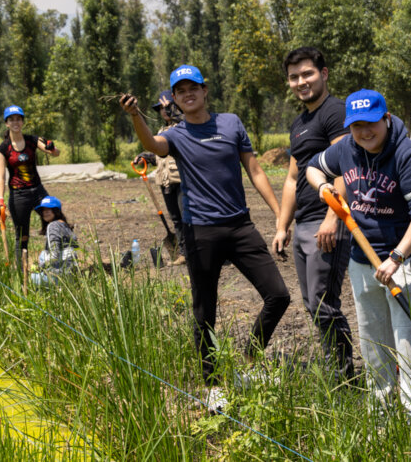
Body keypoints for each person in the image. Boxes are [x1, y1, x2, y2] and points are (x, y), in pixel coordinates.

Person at [120, 65, 290, 415]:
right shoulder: (177, 135)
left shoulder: (231, 123)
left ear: (205, 89)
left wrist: (278, 216)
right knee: (205, 311)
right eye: (180, 91)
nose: (187, 94)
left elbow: (255, 170)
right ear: (176, 99)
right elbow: (152, 144)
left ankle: (248, 363)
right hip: (201, 232)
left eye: (192, 87)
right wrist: (136, 114)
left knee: (278, 295)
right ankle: (211, 385)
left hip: (241, 227)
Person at [305, 89, 411, 417]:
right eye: (356, 125)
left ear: (387, 119)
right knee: (373, 340)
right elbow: (312, 167)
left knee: (407, 341)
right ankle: (382, 413)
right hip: (363, 260)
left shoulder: (408, 155)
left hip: (409, 258)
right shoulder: (346, 149)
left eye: (371, 123)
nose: (364, 132)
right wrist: (323, 188)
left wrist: (397, 257)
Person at [272, 47, 354, 381]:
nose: (301, 82)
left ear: (324, 73)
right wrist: (281, 226)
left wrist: (332, 218)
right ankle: (334, 367)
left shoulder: (336, 112)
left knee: (323, 301)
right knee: (312, 304)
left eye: (307, 74)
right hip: (304, 221)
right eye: (294, 77)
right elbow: (292, 178)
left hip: (327, 221)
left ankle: (344, 378)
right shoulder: (300, 123)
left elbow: (346, 167)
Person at [0, 105, 60, 270]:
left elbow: (54, 153)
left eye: (18, 119)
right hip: (19, 196)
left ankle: (57, 262)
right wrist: (0, 199)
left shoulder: (32, 140)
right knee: (22, 237)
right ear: (7, 123)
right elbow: (1, 177)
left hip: (38, 191)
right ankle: (20, 271)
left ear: (22, 121)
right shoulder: (3, 149)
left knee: (56, 221)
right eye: (12, 119)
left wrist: (52, 148)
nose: (15, 122)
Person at [135, 90, 186, 265]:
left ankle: (197, 250)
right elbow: (159, 154)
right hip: (166, 182)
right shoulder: (162, 131)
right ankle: (184, 253)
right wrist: (145, 157)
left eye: (167, 107)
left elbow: (185, 121)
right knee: (176, 219)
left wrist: (175, 111)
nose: (164, 111)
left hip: (182, 181)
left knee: (188, 218)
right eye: (161, 109)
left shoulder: (183, 127)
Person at [34, 195, 78, 275]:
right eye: (43, 210)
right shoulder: (65, 226)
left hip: (59, 275)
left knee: (33, 277)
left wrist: (40, 267)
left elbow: (55, 255)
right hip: (71, 273)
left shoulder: (53, 226)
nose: (45, 212)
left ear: (56, 210)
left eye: (49, 209)